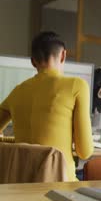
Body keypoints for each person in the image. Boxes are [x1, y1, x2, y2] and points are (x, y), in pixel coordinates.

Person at [0, 31, 94, 181]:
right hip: (62, 184)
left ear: (33, 61)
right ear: (63, 55)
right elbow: (85, 152)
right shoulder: (77, 86)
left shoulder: (17, 91)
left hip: (22, 186)